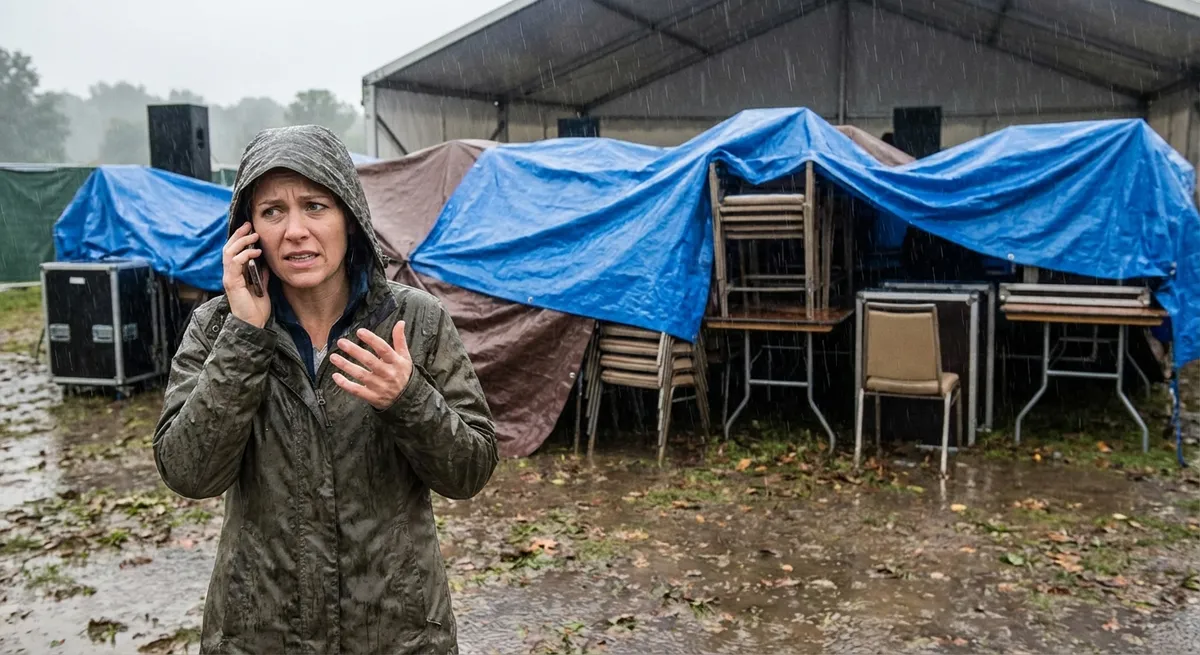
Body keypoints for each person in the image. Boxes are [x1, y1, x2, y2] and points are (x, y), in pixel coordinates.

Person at [153, 125, 498, 654]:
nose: (295, 231)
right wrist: (246, 337)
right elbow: (189, 473)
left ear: (350, 219)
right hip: (261, 632)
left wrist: (409, 399)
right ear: (248, 233)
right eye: (272, 211)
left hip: (395, 631)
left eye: (315, 206)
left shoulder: (413, 320)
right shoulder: (217, 328)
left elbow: (470, 471)